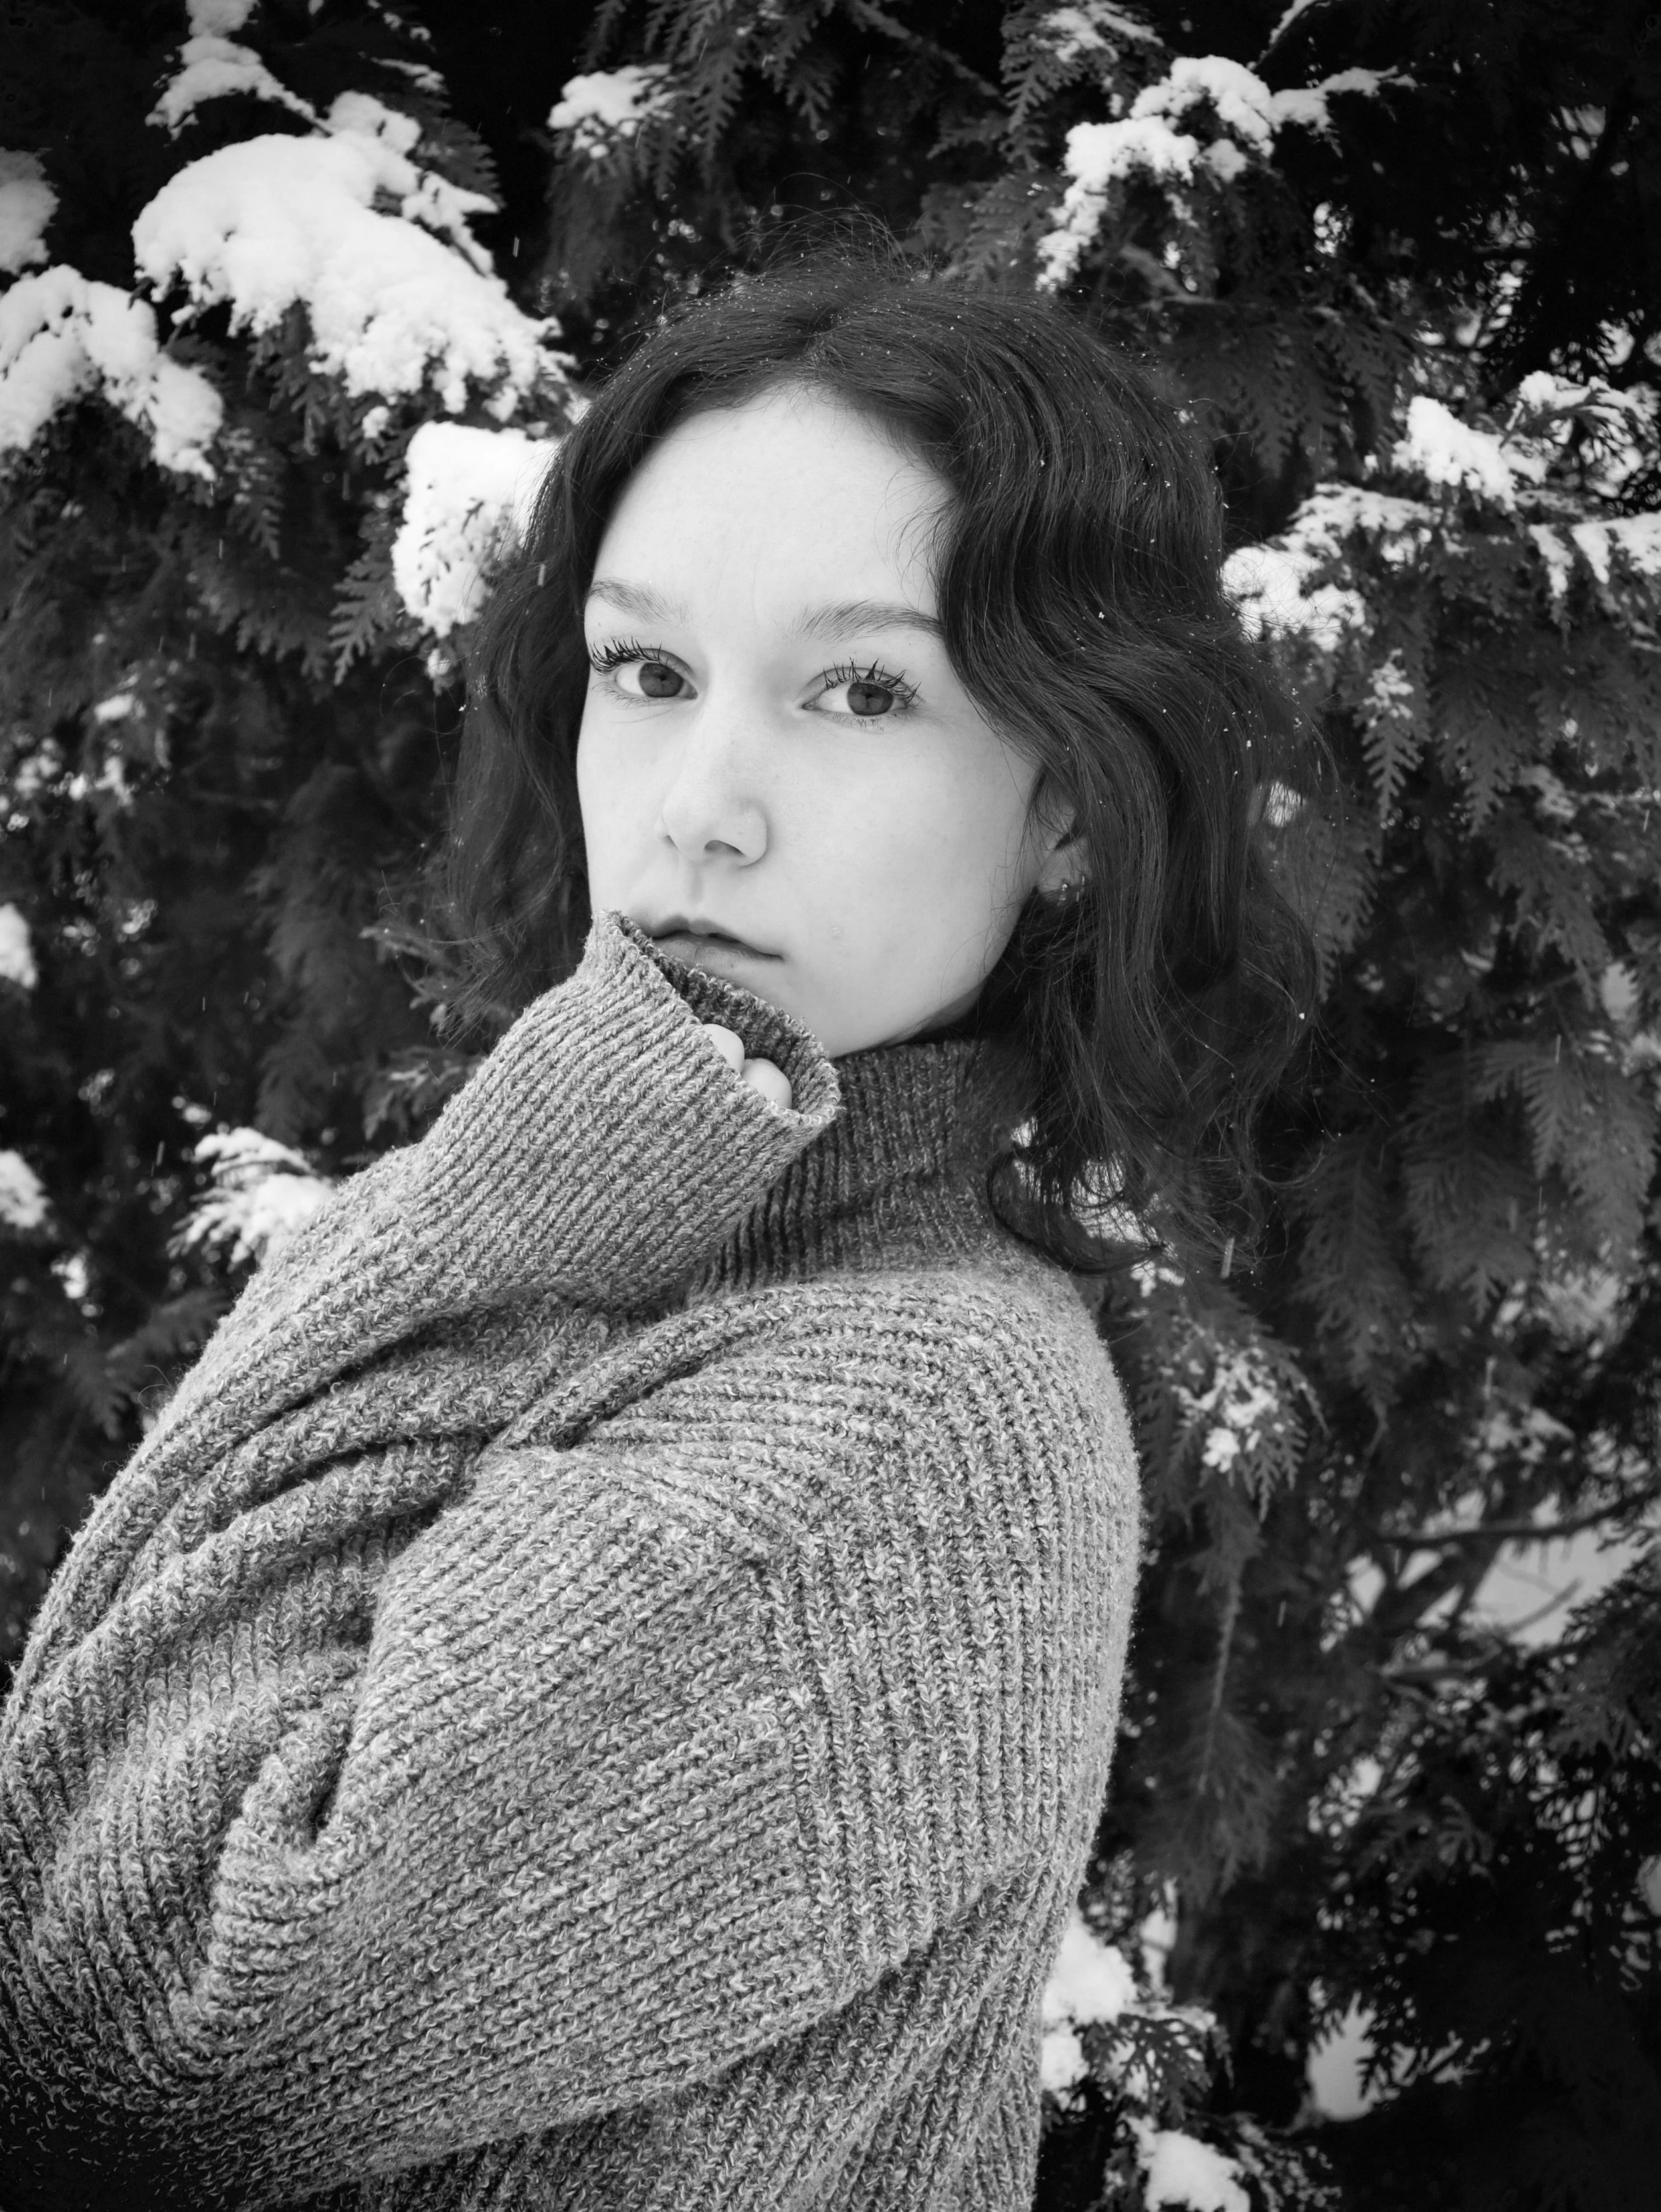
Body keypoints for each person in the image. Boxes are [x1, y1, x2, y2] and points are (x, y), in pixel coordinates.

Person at [0, 236, 1314, 2210]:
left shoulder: (916, 1407)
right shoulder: (635, 1221)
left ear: (1069, 806)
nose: (698, 801)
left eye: (860, 688)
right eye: (650, 670)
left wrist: (507, 1209)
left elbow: (134, 2022)